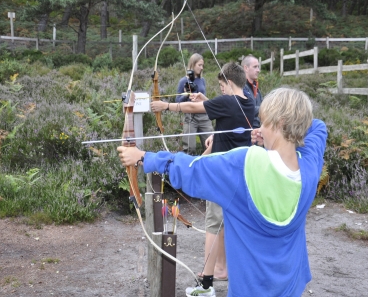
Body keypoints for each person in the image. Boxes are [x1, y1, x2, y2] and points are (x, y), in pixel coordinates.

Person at [118, 87, 327, 297]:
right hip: (291, 286)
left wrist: (143, 157)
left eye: (264, 122)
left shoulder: (244, 164)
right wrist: (281, 137)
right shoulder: (310, 165)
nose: (260, 128)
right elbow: (318, 127)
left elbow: (193, 168)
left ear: (280, 122)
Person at [150, 62, 255, 296]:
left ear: (229, 83)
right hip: (241, 175)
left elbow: (196, 109)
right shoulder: (249, 103)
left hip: (221, 177)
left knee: (213, 226)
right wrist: (214, 136)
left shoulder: (228, 101)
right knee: (227, 225)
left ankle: (206, 285)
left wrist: (165, 106)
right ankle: (222, 270)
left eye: (221, 86)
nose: (221, 90)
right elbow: (229, 119)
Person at [176, 53, 213, 155]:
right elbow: (177, 101)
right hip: (190, 117)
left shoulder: (202, 80)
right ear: (192, 64)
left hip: (204, 117)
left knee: (211, 145)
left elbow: (204, 99)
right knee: (189, 148)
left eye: (202, 65)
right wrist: (186, 94)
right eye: (199, 65)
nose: (201, 68)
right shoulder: (183, 81)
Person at [242, 54, 262, 128]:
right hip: (247, 130)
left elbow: (262, 104)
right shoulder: (240, 87)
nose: (258, 70)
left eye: (258, 67)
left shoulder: (255, 86)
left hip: (258, 128)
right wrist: (268, 109)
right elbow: (247, 108)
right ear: (246, 68)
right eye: (255, 67)